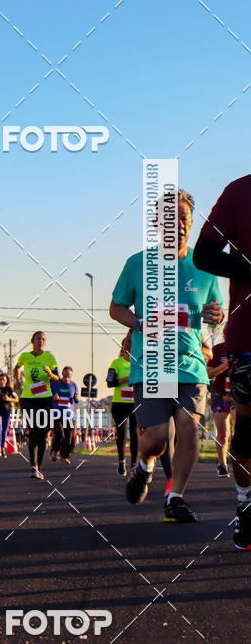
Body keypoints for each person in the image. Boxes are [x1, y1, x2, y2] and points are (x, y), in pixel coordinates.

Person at [110, 188, 224, 523]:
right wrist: (140, 323)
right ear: (159, 223)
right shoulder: (138, 264)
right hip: (152, 365)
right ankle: (144, 466)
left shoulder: (203, 268)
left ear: (191, 223)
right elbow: (116, 307)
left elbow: (216, 312)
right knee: (157, 438)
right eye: (170, 220)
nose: (178, 226)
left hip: (190, 364)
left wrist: (218, 317)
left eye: (184, 219)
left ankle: (175, 498)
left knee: (188, 428)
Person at [193, 174, 251, 548]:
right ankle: (246, 507)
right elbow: (204, 253)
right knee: (247, 425)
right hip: (249, 333)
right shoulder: (240, 191)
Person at [14, 331, 60, 480]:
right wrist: (17, 380)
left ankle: (39, 466)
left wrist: (49, 373)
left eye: (43, 339)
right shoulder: (25, 357)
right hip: (28, 398)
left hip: (45, 398)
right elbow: (17, 367)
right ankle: (33, 467)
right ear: (32, 340)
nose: (41, 341)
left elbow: (57, 378)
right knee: (33, 430)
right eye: (38, 338)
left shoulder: (49, 357)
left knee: (42, 433)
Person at [107, 333, 137, 475]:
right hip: (119, 404)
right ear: (123, 347)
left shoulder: (139, 362)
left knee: (135, 435)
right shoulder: (116, 363)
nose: (130, 347)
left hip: (135, 403)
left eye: (133, 344)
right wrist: (126, 378)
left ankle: (134, 464)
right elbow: (110, 382)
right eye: (128, 344)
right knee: (122, 434)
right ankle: (121, 462)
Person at [205, 339, 232, 477]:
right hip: (220, 393)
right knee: (223, 432)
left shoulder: (246, 347)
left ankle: (242, 464)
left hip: (239, 392)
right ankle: (222, 464)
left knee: (242, 431)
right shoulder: (218, 349)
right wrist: (224, 366)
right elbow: (208, 373)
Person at [50, 366, 80, 464]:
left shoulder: (74, 385)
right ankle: (55, 451)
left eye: (69, 375)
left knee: (69, 438)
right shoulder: (55, 384)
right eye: (65, 374)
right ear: (62, 374)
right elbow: (47, 397)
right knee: (60, 435)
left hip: (70, 415)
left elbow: (77, 399)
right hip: (57, 414)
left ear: (71, 376)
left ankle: (64, 456)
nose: (67, 377)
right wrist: (53, 398)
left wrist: (76, 398)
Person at [0, 372, 18, 458]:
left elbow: (17, 399)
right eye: (1, 379)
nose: (2, 381)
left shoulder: (9, 389)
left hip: (6, 411)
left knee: (4, 430)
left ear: (6, 381)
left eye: (4, 380)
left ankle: (3, 449)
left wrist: (9, 398)